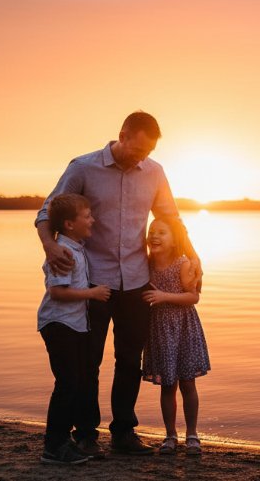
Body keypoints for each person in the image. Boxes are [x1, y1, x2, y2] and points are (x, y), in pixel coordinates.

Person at [36, 111, 202, 457]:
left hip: (137, 281)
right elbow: (46, 213)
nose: (142, 158)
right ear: (123, 135)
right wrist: (51, 246)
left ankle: (124, 433)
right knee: (89, 362)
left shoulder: (154, 172)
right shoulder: (83, 167)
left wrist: (194, 255)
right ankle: (85, 434)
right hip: (94, 280)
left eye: (148, 152)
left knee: (129, 361)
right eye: (137, 150)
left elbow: (171, 216)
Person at [36, 193, 112, 465]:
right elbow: (57, 292)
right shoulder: (64, 252)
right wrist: (92, 294)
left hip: (75, 324)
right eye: (87, 216)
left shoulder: (77, 247)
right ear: (69, 224)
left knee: (76, 382)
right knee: (67, 384)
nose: (93, 219)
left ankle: (64, 440)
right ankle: (54, 446)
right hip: (59, 324)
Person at [141, 216, 211, 455]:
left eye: (162, 232)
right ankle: (170, 435)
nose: (155, 236)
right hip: (160, 329)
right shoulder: (147, 263)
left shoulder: (181, 263)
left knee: (187, 383)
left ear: (174, 240)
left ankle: (192, 434)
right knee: (167, 385)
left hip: (183, 327)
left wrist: (164, 296)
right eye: (152, 231)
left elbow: (193, 297)